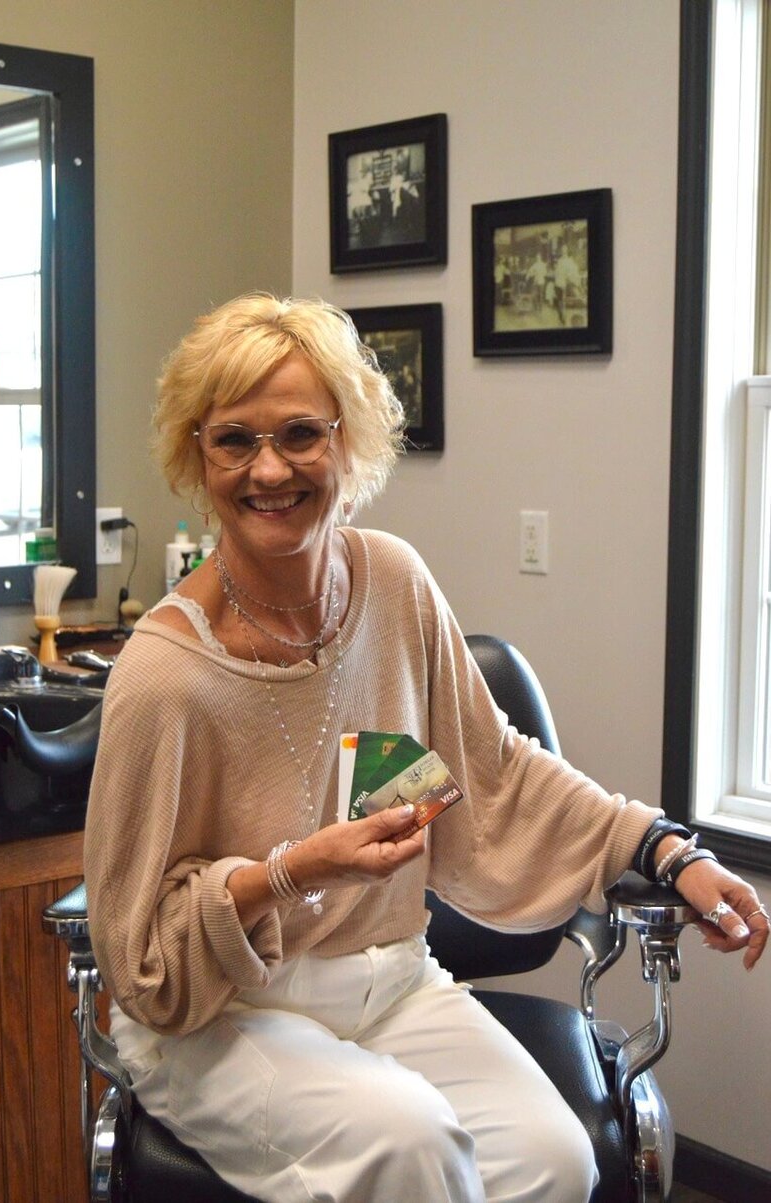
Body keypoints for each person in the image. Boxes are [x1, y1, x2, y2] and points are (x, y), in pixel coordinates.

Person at [84, 293, 768, 1203]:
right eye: (234, 440)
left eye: (300, 433)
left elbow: (496, 771)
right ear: (194, 454)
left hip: (391, 979)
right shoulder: (164, 677)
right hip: (222, 1012)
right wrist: (287, 871)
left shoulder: (394, 585)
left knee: (555, 1162)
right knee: (415, 1149)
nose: (270, 469)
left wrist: (663, 849)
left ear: (348, 439)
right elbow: (139, 959)